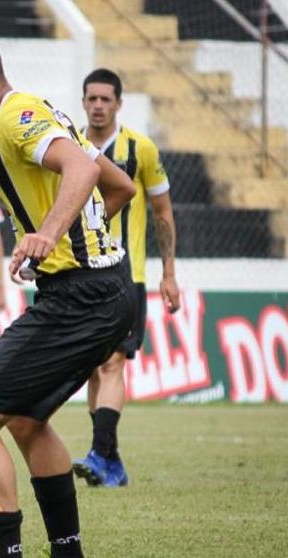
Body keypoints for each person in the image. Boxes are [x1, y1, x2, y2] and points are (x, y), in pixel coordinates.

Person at [0, 28, 137, 558]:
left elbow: (87, 170)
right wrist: (72, 238)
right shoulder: (33, 115)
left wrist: (48, 233)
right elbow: (120, 188)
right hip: (97, 291)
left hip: (82, 298)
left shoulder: (17, 118)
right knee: (22, 420)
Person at [73, 68, 181, 488]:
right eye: (92, 98)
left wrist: (168, 272)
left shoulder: (142, 150)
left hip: (127, 274)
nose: (98, 105)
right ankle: (111, 459)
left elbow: (162, 212)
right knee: (94, 368)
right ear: (83, 102)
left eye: (106, 98)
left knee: (114, 361)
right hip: (81, 276)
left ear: (118, 103)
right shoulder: (69, 146)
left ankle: (100, 454)